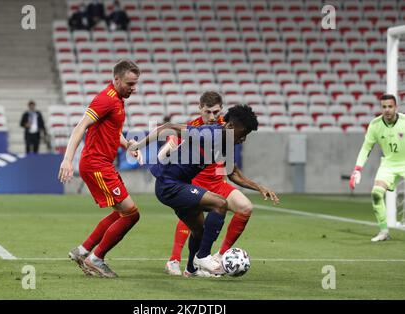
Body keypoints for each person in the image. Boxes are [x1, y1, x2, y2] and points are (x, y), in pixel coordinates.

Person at [128, 104, 259, 276]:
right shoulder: (209, 133)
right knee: (220, 204)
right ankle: (203, 256)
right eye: (244, 133)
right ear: (232, 126)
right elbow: (168, 128)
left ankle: (191, 268)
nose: (244, 138)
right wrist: (138, 145)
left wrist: (259, 187)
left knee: (199, 230)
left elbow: (231, 173)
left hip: (179, 184)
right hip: (169, 185)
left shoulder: (224, 143)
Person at [159, 92, 279, 276]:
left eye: (216, 112)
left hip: (217, 182)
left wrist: (259, 187)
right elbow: (171, 137)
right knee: (192, 218)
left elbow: (232, 171)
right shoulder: (195, 127)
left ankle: (218, 257)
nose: (212, 116)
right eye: (208, 112)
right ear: (200, 109)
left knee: (245, 207)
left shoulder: (228, 129)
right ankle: (175, 259)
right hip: (196, 181)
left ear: (221, 111)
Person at [59, 59, 142, 278]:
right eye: (129, 84)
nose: (133, 88)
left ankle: (82, 251)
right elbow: (80, 127)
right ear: (116, 79)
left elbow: (112, 131)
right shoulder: (105, 99)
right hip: (96, 164)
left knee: (121, 212)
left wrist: (127, 145)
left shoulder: (118, 101)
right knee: (132, 214)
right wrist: (67, 159)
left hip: (103, 164)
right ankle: (96, 258)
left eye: (135, 84)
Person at [350, 93, 405, 242]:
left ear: (396, 107)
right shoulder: (375, 125)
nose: (387, 110)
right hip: (388, 164)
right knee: (376, 194)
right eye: (384, 107)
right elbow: (365, 148)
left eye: (390, 107)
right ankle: (384, 232)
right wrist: (357, 169)